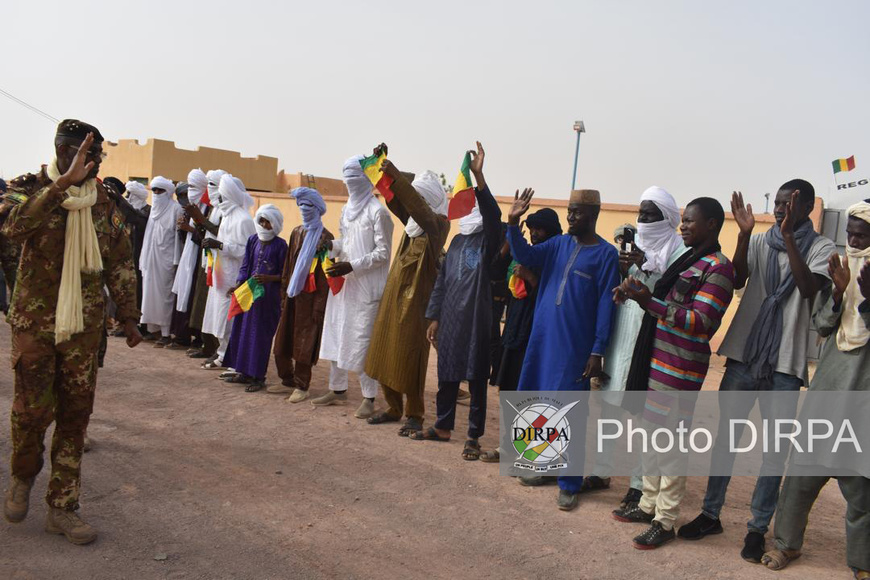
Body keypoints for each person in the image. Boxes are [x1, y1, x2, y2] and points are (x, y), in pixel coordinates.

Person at [678, 181, 836, 562]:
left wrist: (790, 240)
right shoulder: (763, 240)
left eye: (790, 203)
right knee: (726, 441)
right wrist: (746, 235)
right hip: (744, 355)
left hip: (784, 365)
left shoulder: (822, 247)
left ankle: (756, 528)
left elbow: (807, 287)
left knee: (773, 453)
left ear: (808, 207)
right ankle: (711, 514)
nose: (781, 208)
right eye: (778, 202)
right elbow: (739, 278)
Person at [2, 121, 142, 545]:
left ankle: (62, 508)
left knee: (75, 416)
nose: (92, 163)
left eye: (97, 157)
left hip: (83, 326)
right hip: (35, 324)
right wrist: (61, 185)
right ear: (61, 150)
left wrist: (130, 315)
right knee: (30, 412)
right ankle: (23, 477)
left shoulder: (104, 202)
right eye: (84, 154)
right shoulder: (26, 190)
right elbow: (12, 229)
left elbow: (119, 259)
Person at [611, 197, 735, 550]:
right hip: (657, 361)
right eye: (682, 220)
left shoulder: (719, 269)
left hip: (680, 370)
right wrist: (635, 292)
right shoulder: (686, 260)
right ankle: (648, 504)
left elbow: (701, 321)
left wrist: (649, 301)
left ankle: (664, 520)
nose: (683, 226)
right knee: (651, 439)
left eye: (690, 221)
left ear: (712, 224)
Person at [760, 201, 870, 578]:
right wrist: (840, 295)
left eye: (862, 235)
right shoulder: (842, 267)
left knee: (861, 490)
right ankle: (786, 543)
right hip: (828, 390)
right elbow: (822, 325)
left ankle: (862, 562)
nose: (853, 240)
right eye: (850, 233)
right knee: (802, 478)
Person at [506, 187, 620, 511]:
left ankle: (569, 483)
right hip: (543, 340)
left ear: (593, 215)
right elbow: (525, 256)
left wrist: (597, 350)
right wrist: (513, 224)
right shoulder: (557, 244)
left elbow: (604, 306)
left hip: (574, 347)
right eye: (569, 211)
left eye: (577, 212)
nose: (570, 217)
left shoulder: (606, 255)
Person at [594, 187, 689, 506]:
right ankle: (600, 470)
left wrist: (644, 268)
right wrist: (626, 271)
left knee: (643, 416)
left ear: (667, 219)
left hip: (652, 341)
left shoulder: (677, 253)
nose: (643, 220)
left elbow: (668, 296)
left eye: (650, 215)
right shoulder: (631, 247)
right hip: (622, 335)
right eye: (641, 214)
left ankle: (638, 483)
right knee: (609, 407)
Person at [414, 143, 501, 460]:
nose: (468, 210)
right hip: (450, 318)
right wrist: (434, 315)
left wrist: (479, 178)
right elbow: (441, 279)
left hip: (477, 320)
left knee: (477, 379)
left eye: (472, 205)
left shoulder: (489, 240)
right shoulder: (458, 240)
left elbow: (493, 216)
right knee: (448, 374)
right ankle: (442, 427)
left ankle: (473, 436)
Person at [365, 152, 451, 436]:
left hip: (417, 305)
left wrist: (399, 176)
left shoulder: (438, 225)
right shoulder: (412, 225)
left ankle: (415, 414)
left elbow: (417, 207)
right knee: (384, 350)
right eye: (418, 199)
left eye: (423, 199)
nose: (418, 204)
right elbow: (398, 201)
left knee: (411, 357)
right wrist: (384, 172)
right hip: (393, 299)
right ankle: (393, 407)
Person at [309, 155, 393, 415]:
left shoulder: (378, 212)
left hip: (367, 288)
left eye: (355, 179)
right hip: (344, 285)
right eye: (347, 180)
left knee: (361, 341)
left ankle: (369, 398)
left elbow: (383, 253)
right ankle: (337, 390)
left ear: (367, 179)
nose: (351, 184)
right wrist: (331, 246)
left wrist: (352, 265)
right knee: (337, 335)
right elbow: (345, 242)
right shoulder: (347, 209)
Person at [270, 188, 334, 401]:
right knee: (282, 343)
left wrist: (319, 306)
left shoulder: (325, 238)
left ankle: (301, 385)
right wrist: (283, 292)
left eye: (308, 207)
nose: (304, 211)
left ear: (317, 209)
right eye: (301, 207)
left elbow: (325, 276)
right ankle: (286, 380)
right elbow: (289, 264)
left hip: (311, 298)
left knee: (304, 344)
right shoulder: (296, 232)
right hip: (292, 294)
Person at [221, 204, 288, 391]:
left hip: (267, 299)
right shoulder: (252, 240)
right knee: (242, 332)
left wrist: (270, 278)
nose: (265, 225)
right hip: (248, 296)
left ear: (275, 224)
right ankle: (243, 372)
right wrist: (238, 285)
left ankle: (258, 377)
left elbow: (286, 274)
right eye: (262, 221)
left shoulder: (281, 245)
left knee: (260, 337)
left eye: (268, 222)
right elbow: (245, 266)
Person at [200, 174, 255, 370]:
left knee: (229, 319)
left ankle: (230, 356)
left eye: (222, 196)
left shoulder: (243, 220)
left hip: (233, 278)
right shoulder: (227, 217)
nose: (219, 200)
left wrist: (221, 245)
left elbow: (247, 252)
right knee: (219, 318)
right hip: (220, 275)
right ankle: (222, 353)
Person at [139, 176, 183, 346]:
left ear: (168, 192)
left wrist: (176, 261)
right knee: (150, 296)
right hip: (151, 259)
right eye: (154, 190)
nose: (156, 193)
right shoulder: (154, 211)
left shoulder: (176, 209)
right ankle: (153, 330)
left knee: (165, 297)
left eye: (160, 190)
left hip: (166, 261)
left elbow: (179, 239)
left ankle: (166, 333)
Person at [185, 169, 224, 359]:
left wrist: (200, 219)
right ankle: (206, 345)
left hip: (219, 265)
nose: (209, 190)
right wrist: (198, 221)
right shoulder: (213, 208)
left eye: (212, 185)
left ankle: (216, 348)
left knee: (214, 307)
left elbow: (221, 233)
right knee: (202, 305)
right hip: (207, 260)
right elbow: (206, 232)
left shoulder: (225, 210)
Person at [169, 170, 210, 351]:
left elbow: (208, 233)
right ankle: (182, 336)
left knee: (195, 296)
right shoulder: (191, 207)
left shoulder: (208, 209)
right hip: (189, 257)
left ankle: (197, 339)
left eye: (193, 187)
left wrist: (190, 228)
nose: (190, 192)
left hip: (200, 260)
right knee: (184, 294)